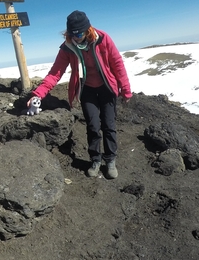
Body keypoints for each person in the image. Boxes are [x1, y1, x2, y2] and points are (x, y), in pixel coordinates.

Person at [26, 10, 131, 179]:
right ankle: (95, 160)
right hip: (87, 89)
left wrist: (125, 90)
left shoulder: (103, 39)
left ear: (87, 29)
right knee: (92, 126)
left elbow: (117, 64)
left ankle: (110, 160)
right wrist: (38, 94)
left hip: (106, 88)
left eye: (80, 33)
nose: (77, 37)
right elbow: (55, 73)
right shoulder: (67, 47)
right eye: (72, 34)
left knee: (109, 126)